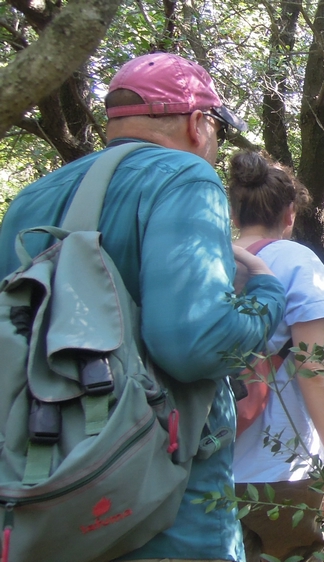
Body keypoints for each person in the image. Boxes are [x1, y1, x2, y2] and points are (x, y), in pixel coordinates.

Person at [0, 52, 287, 562]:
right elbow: (195, 347)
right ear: (199, 124)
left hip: (46, 476)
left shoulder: (32, 198)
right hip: (159, 484)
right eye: (218, 129)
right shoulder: (185, 176)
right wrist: (265, 291)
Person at [228, 151, 324, 561]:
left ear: (235, 210)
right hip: (283, 468)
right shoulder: (296, 260)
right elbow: (315, 371)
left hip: (207, 463)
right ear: (290, 213)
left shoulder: (203, 259)